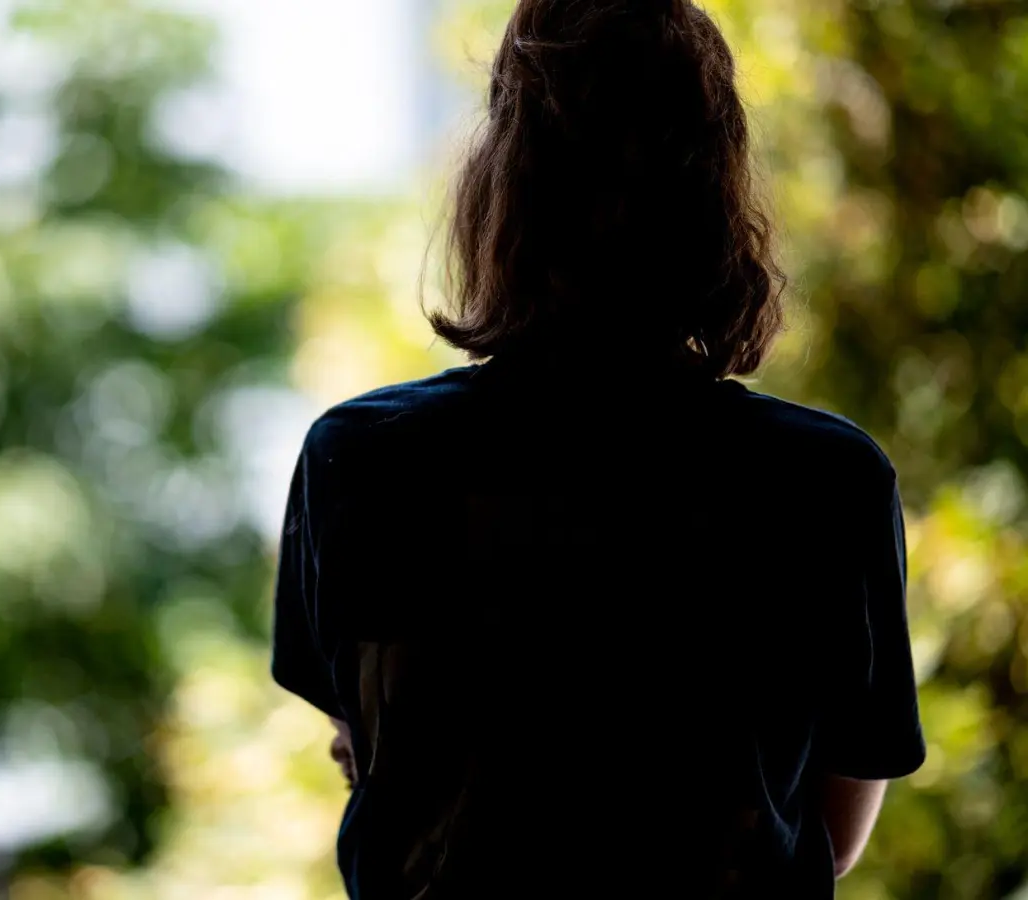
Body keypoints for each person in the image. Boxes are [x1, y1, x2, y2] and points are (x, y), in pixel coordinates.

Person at [270, 1, 927, 896]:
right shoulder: (829, 480)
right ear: (717, 188)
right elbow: (829, 834)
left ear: (499, 184)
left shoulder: (362, 459)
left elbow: (385, 761)